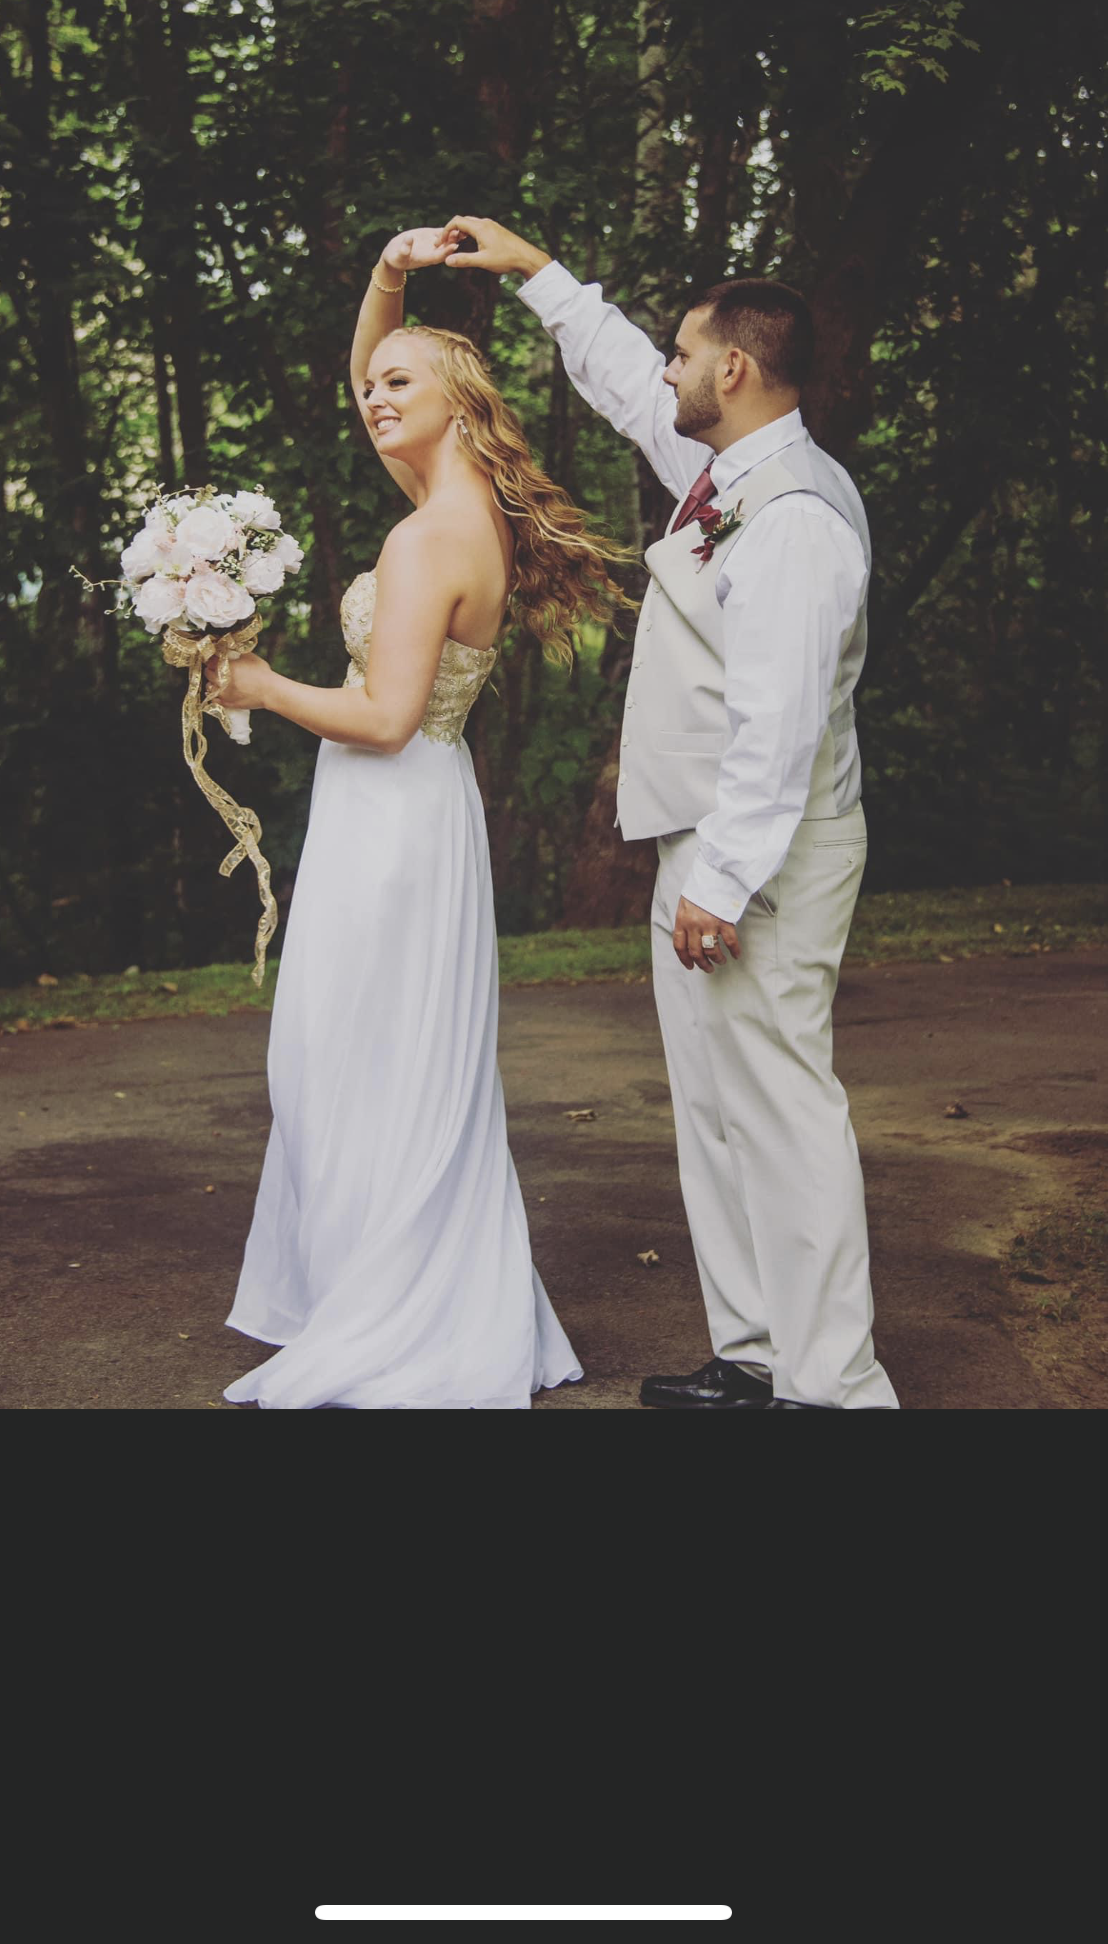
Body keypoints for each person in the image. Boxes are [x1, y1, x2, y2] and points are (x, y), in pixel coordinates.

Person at [436, 213, 898, 1413]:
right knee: (716, 1112)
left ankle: (834, 1390)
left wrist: (721, 882)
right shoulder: (724, 472)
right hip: (705, 839)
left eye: (686, 356)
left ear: (734, 370)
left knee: (783, 1112)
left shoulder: (792, 512)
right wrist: (538, 275)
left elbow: (780, 725)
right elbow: (622, 385)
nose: (670, 374)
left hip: (763, 854)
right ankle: (752, 1357)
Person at [204, 228, 630, 1410]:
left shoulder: (428, 534)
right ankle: (369, 1288)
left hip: (393, 814)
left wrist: (258, 686)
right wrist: (390, 284)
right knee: (363, 1057)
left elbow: (387, 715)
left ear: (460, 403)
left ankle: (391, 1311)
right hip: (408, 815)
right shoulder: (459, 504)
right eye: (374, 382)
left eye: (402, 382)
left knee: (344, 1057)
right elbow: (366, 377)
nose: (376, 396)